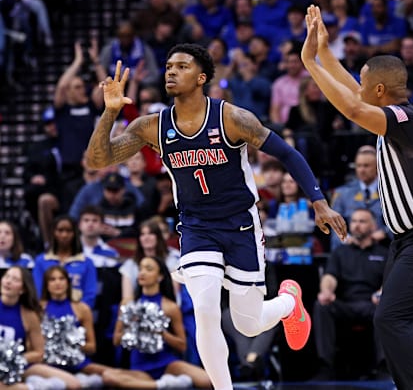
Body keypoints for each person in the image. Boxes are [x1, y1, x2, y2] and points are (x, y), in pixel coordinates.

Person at [85, 43, 346, 390]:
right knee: (206, 307)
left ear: (202, 77)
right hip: (196, 226)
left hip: (240, 225)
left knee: (249, 324)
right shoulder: (153, 126)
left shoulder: (230, 118)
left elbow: (287, 153)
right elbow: (98, 160)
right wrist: (110, 113)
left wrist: (318, 201)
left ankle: (287, 303)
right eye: (168, 66)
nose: (171, 72)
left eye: (181, 66)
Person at [301, 6, 413, 389]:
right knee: (395, 318)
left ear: (379, 90)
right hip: (408, 240)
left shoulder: (408, 120)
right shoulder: (388, 119)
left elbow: (351, 104)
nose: (356, 87)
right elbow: (350, 89)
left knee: (390, 318)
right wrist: (324, 49)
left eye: (363, 83)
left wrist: (311, 64)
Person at [102, 257, 211, 389]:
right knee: (108, 376)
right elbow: (116, 340)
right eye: (140, 268)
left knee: (207, 380)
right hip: (139, 368)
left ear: (160, 277)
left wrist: (161, 332)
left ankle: (150, 385)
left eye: (149, 269)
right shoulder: (128, 304)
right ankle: (163, 385)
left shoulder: (170, 306)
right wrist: (131, 326)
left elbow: (182, 345)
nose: (142, 272)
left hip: (166, 364)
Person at [313, 208, 388, 379]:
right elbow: (330, 276)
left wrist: (382, 293)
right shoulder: (340, 252)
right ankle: (326, 366)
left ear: (373, 226)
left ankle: (384, 366)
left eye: (362, 222)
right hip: (345, 303)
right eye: (354, 221)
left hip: (372, 303)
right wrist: (326, 291)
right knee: (322, 306)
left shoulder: (384, 253)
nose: (357, 225)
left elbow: (390, 280)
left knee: (386, 309)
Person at [0, 266, 81, 390]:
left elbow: (39, 352)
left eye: (15, 279)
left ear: (23, 289)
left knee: (74, 384)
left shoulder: (28, 315)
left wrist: (14, 359)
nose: (8, 281)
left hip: (16, 365)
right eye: (7, 276)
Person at [40, 266, 109, 387]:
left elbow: (92, 347)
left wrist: (71, 344)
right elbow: (32, 346)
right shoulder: (38, 309)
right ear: (46, 285)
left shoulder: (82, 309)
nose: (58, 283)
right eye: (52, 279)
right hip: (47, 365)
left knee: (109, 375)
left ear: (68, 282)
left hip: (78, 364)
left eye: (61, 279)